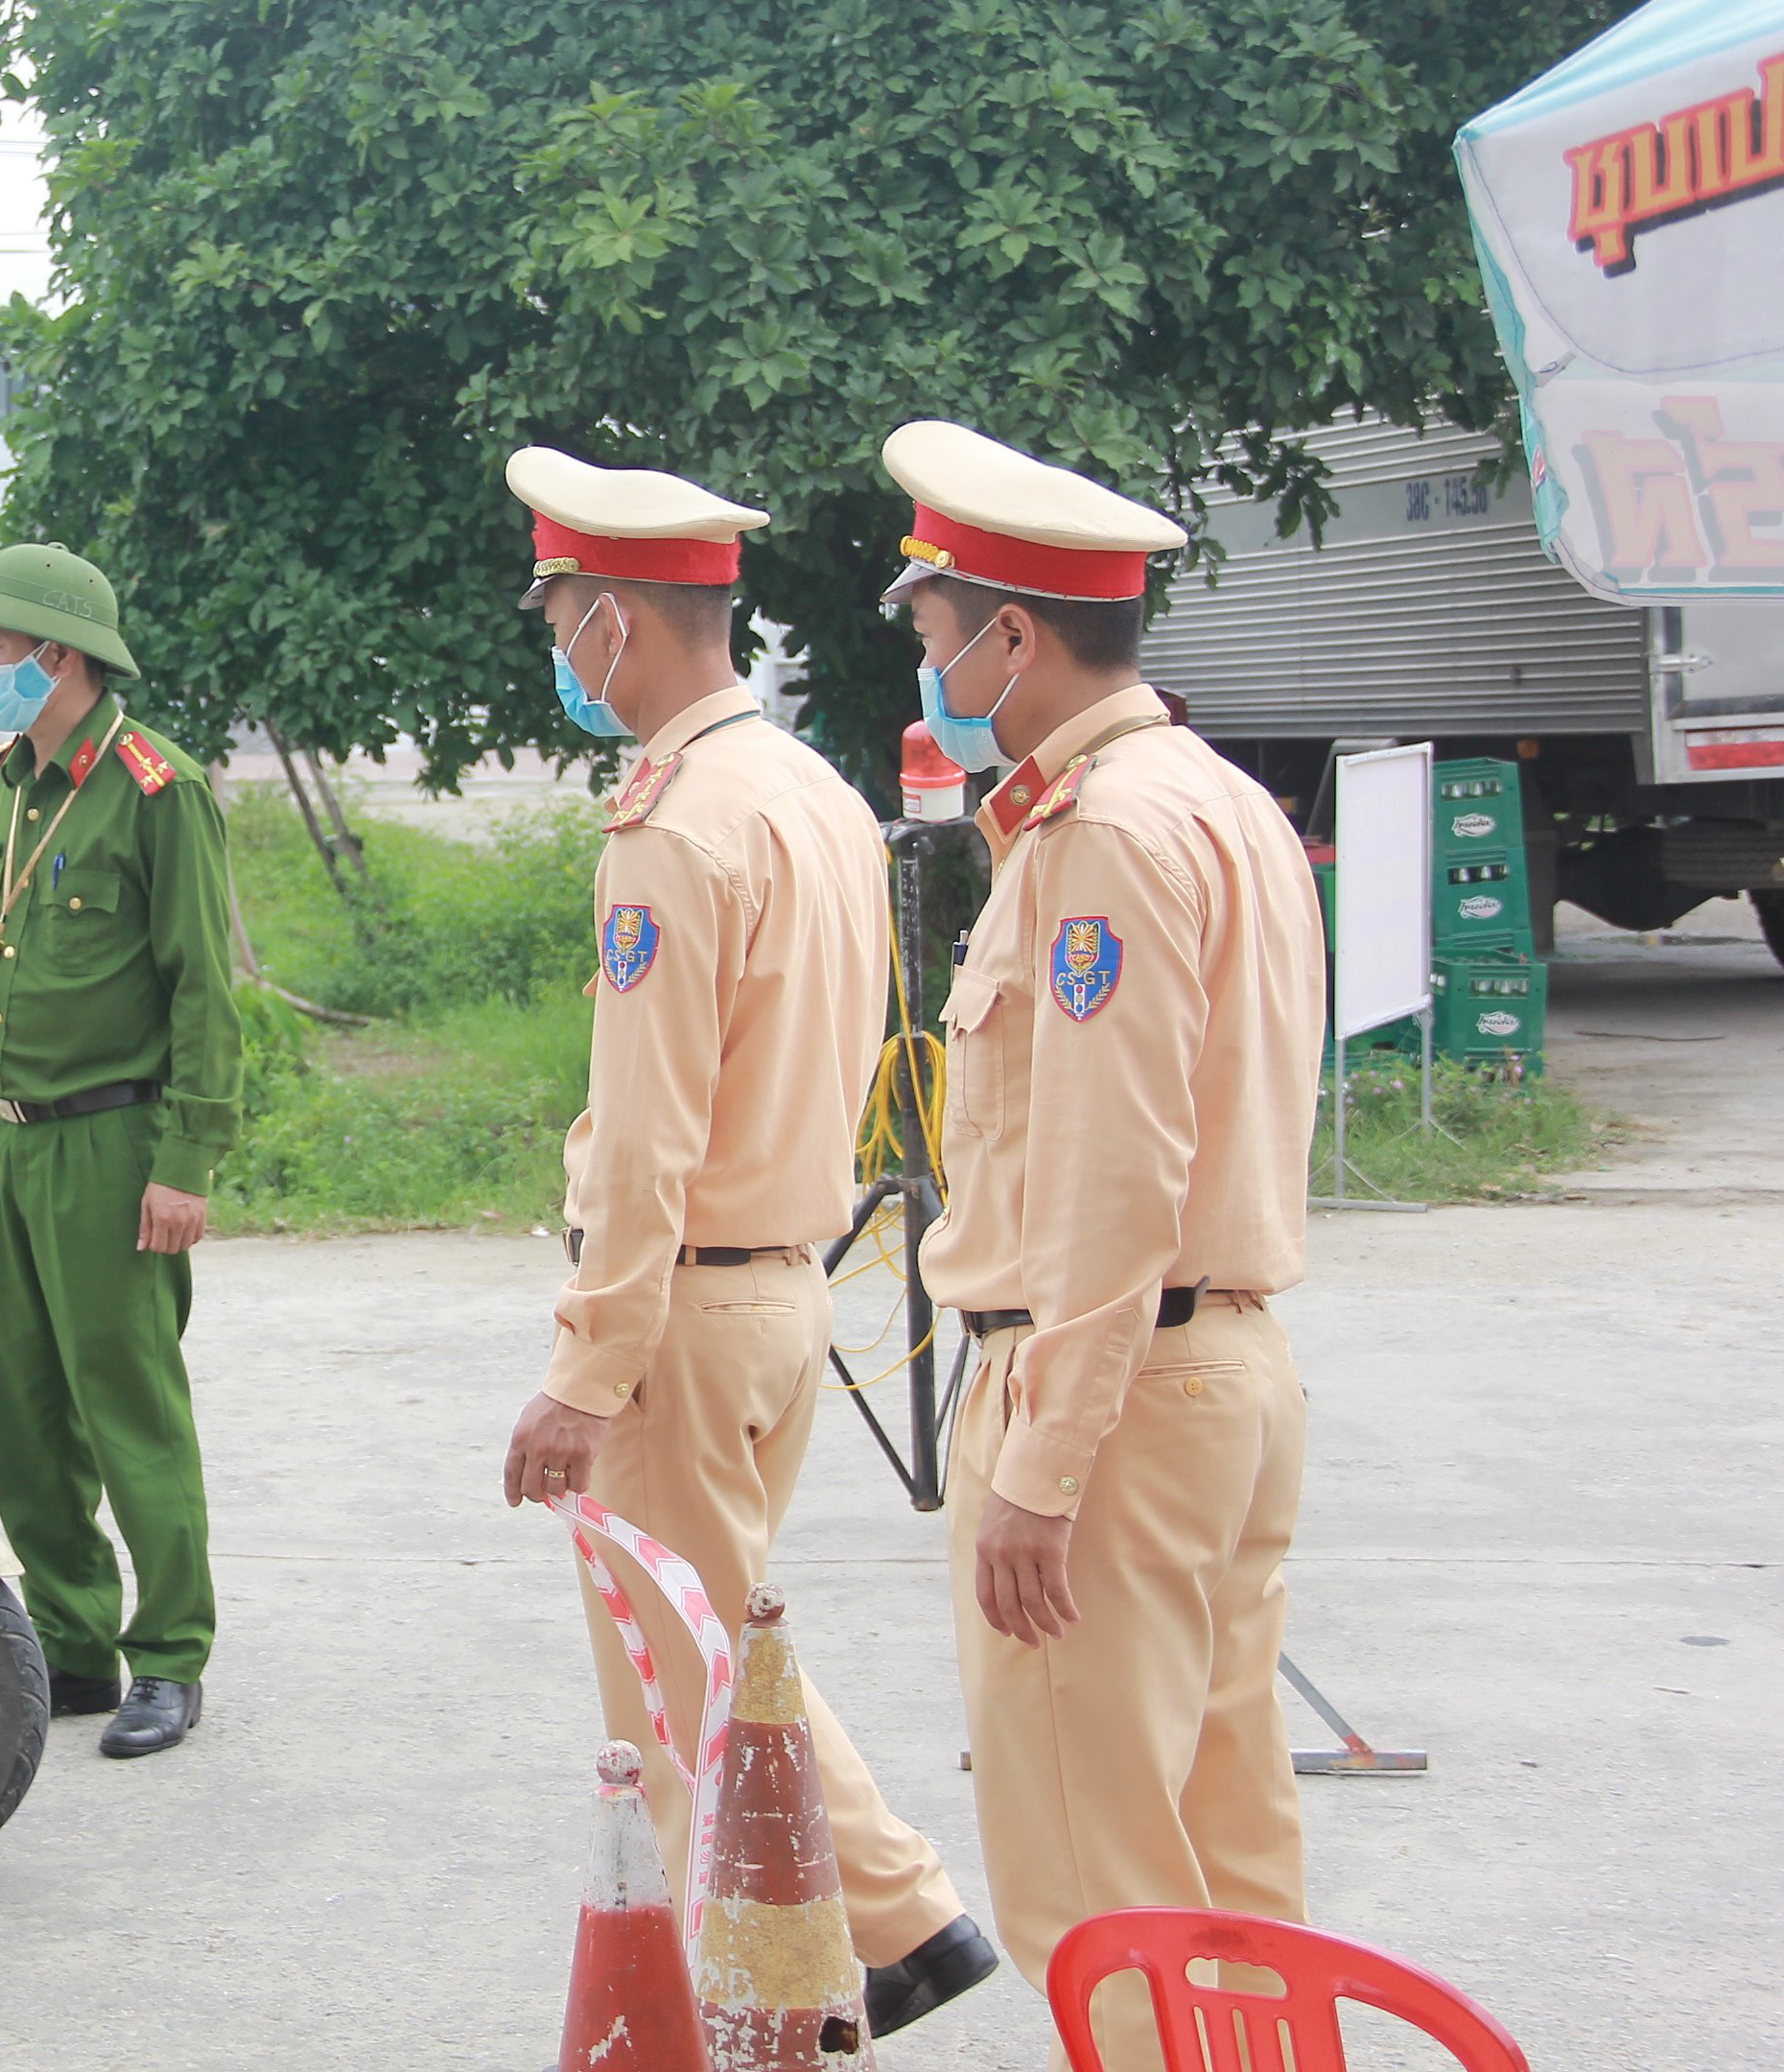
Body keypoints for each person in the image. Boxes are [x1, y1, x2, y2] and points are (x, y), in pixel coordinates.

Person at [493, 448, 998, 2037]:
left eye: (560, 617)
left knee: (679, 1688)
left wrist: (586, 1368)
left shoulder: (673, 828)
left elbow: (645, 1145)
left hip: (687, 1314)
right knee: (714, 1647)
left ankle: (877, 1937)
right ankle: (845, 1964)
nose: (558, 651)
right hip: (786, 1286)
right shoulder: (810, 793)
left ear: (615, 626)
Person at [880, 420, 1325, 2067]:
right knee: (1225, 1865)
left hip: (1114, 1389)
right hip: (1217, 1371)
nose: (928, 666)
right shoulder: (1210, 797)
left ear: (1010, 634)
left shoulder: (1101, 840)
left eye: (935, 632)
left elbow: (1113, 1177)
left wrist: (1043, 1463)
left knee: (1102, 1892)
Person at [0, 544, 242, 1760]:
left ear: (56, 654)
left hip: (114, 1145)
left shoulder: (156, 789)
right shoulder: (14, 781)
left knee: (127, 1406)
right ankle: (69, 1646)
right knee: (25, 1409)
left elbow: (204, 992)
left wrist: (188, 1161)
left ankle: (170, 1656)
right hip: (12, 1145)